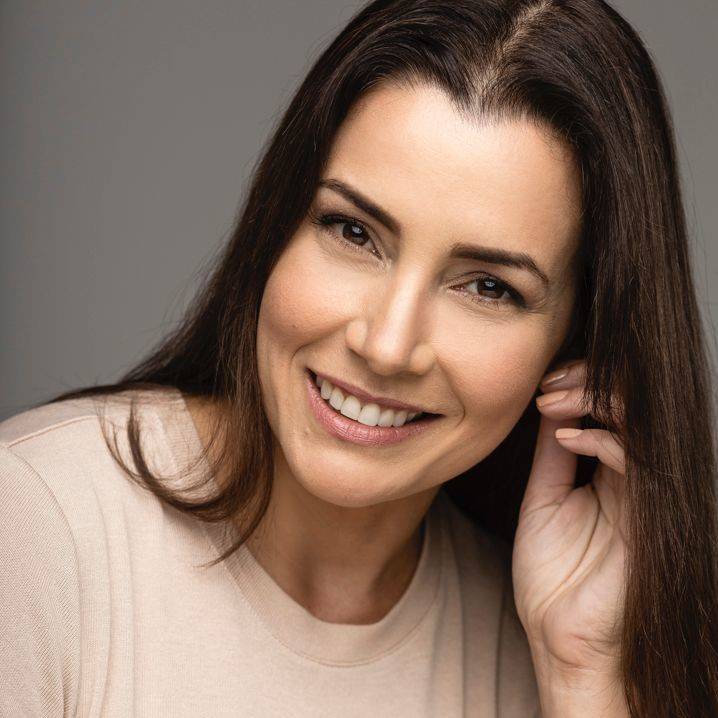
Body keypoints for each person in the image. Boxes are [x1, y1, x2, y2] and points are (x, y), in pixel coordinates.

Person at [1, 0, 716, 716]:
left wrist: (582, 674)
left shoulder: (541, 631)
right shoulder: (38, 524)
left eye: (488, 287)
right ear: (277, 225)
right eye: (352, 232)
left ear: (575, 344)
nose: (386, 345)